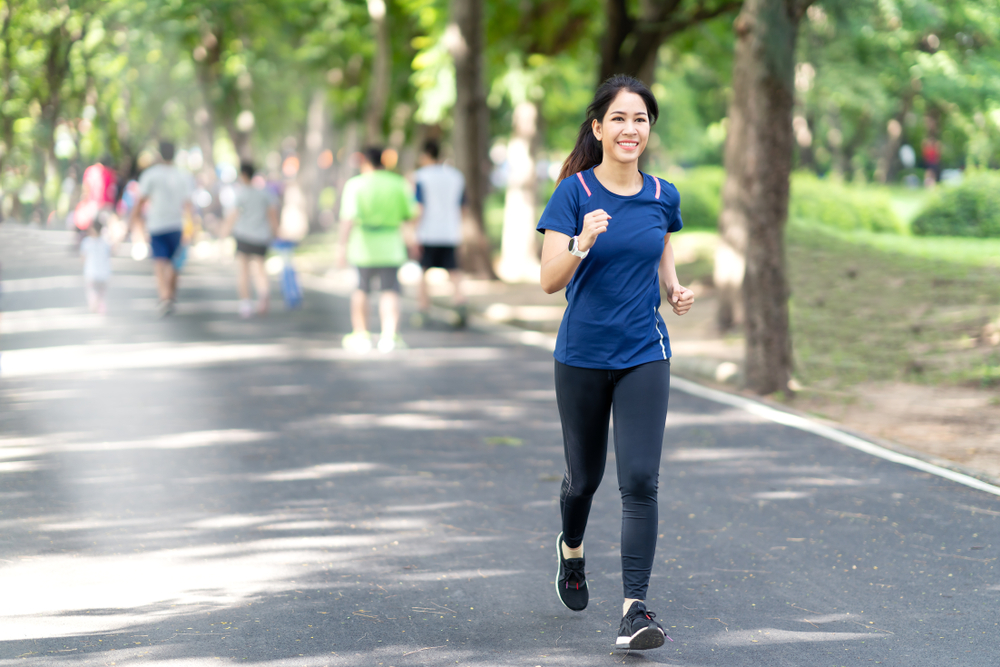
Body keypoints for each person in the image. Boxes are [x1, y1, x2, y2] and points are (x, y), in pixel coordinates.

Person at [536, 74, 695, 651]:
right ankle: (571, 550)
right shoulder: (573, 194)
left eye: (642, 119)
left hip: (643, 351)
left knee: (639, 480)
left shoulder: (662, 194)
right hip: (581, 353)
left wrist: (673, 288)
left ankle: (635, 609)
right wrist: (580, 243)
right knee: (585, 479)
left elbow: (661, 242)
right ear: (599, 128)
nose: (632, 129)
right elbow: (549, 282)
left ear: (649, 130)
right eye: (620, 119)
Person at [337, 146, 416, 353]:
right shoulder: (398, 183)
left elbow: (347, 219)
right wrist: (412, 241)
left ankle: (361, 334)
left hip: (363, 245)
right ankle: (389, 336)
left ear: (364, 161)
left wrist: (341, 248)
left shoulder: (355, 185)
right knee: (390, 290)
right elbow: (410, 215)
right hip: (391, 244)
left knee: (362, 289)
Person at [130, 141, 193, 317]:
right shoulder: (183, 176)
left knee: (159, 262)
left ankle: (164, 296)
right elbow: (188, 205)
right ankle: (169, 295)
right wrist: (192, 227)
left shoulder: (150, 175)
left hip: (157, 225)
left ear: (159, 154)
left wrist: (133, 219)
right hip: (176, 225)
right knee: (174, 263)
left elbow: (140, 200)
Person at [412, 139, 467, 327]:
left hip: (427, 232)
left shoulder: (420, 176)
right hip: (450, 231)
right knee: (453, 271)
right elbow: (463, 207)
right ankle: (460, 305)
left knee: (423, 272)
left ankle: (423, 310)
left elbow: (419, 207)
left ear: (426, 155)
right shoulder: (456, 176)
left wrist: (413, 231)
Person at [219, 161, 280, 318]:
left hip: (244, 235)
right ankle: (263, 294)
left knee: (244, 270)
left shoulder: (241, 193)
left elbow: (232, 215)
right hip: (261, 236)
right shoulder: (265, 193)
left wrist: (223, 234)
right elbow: (272, 214)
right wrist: (276, 232)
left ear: (243, 175)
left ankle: (246, 303)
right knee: (260, 268)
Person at [80, 219, 112, 314]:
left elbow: (83, 257)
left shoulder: (86, 242)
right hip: (104, 273)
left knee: (92, 291)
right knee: (102, 293)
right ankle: (101, 306)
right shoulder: (106, 242)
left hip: (91, 272)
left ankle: (93, 305)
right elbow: (109, 255)